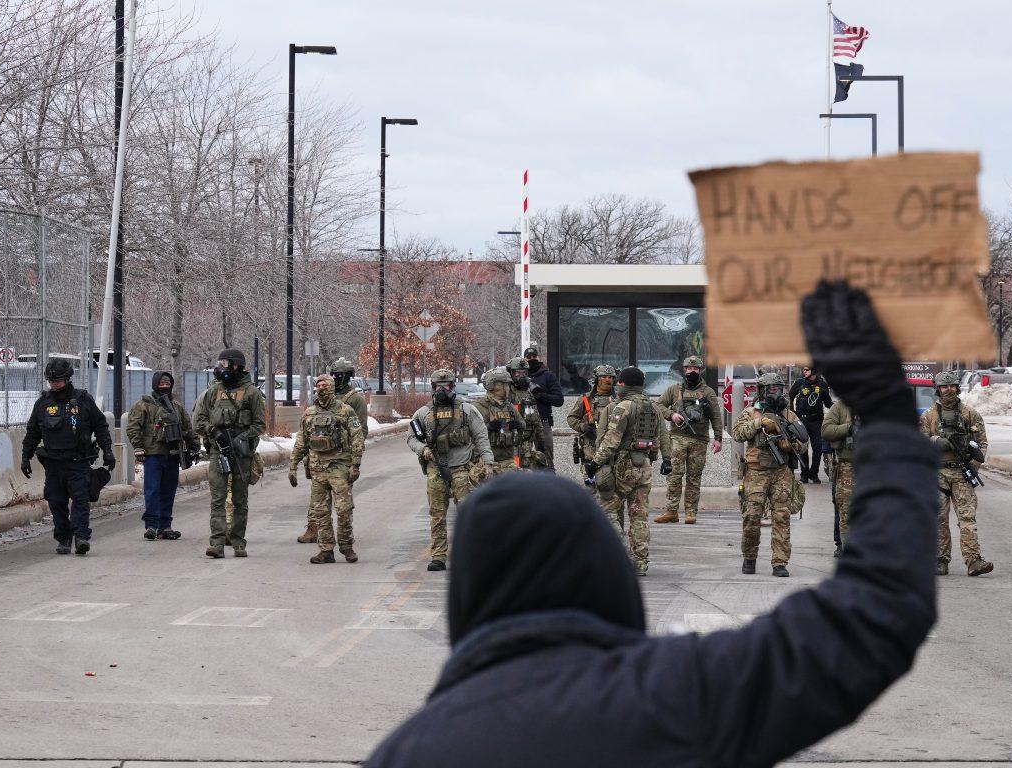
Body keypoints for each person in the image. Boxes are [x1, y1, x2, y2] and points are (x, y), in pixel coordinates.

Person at [363, 281, 937, 768]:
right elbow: (876, 616)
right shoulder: (673, 699)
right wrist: (886, 413)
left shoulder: (411, 752)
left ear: (469, 594)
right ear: (600, 573)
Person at [21, 358, 114, 555]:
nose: (55, 384)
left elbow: (100, 425)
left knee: (80, 500)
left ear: (68, 379)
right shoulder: (43, 403)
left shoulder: (83, 400)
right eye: (51, 381)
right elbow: (32, 432)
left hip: (78, 461)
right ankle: (63, 538)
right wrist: (25, 457)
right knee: (56, 502)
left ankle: (81, 536)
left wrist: (107, 451)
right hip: (54, 463)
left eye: (59, 381)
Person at [584, 366, 670, 576]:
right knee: (639, 516)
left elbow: (611, 440)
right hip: (644, 468)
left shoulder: (624, 406)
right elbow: (664, 435)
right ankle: (640, 562)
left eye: (619, 382)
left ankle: (618, 555)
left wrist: (595, 463)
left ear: (623, 384)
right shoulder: (653, 407)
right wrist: (667, 459)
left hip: (622, 467)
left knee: (608, 509)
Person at [408, 368, 493, 571]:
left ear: (453, 387)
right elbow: (411, 438)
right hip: (436, 470)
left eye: (446, 386)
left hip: (462, 469)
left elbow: (481, 437)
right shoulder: (423, 413)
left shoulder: (467, 410)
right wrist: (424, 450)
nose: (442, 389)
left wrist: (488, 462)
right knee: (437, 514)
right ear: (433, 388)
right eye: (438, 386)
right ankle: (438, 556)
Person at [732, 372, 808, 577]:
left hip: (781, 472)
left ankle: (780, 562)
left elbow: (803, 442)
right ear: (762, 391)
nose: (776, 393)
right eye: (771, 390)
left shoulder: (788, 415)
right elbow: (737, 433)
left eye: (779, 389)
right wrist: (759, 423)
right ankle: (749, 557)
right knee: (751, 516)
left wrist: (790, 445)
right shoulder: (751, 412)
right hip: (756, 472)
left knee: (781, 516)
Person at [919, 371, 994, 577]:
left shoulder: (970, 414)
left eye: (952, 386)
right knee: (938, 519)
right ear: (938, 389)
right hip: (937, 474)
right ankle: (940, 560)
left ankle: (973, 561)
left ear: (957, 388)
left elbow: (982, 443)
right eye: (944, 387)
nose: (949, 390)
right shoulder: (928, 416)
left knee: (967, 519)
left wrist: (974, 464)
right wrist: (936, 442)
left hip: (962, 472)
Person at [193, 348, 266, 559]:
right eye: (220, 363)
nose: (221, 368)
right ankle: (216, 543)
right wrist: (213, 431)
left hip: (241, 453)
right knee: (218, 498)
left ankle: (238, 542)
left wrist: (241, 438)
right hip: (218, 450)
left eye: (225, 364)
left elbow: (259, 424)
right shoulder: (213, 391)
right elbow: (199, 419)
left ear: (236, 365)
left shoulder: (251, 393)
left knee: (240, 500)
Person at [290, 374, 365, 564]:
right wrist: (293, 465)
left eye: (325, 385)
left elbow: (357, 438)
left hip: (340, 466)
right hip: (318, 469)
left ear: (332, 388)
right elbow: (301, 442)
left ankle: (347, 547)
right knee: (320, 511)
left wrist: (355, 464)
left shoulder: (346, 411)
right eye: (318, 385)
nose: (321, 388)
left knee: (344, 510)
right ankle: (326, 550)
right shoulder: (309, 413)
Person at [126, 371, 201, 540]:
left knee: (168, 491)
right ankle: (151, 525)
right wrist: (138, 447)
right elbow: (133, 427)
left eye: (167, 385)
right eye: (161, 385)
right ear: (155, 385)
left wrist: (195, 446)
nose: (165, 387)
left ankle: (165, 526)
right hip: (153, 455)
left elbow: (188, 429)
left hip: (173, 454)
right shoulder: (144, 405)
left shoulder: (176, 407)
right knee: (152, 491)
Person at [654, 355, 722, 524]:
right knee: (674, 476)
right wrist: (672, 415)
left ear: (700, 370)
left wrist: (718, 438)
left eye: (696, 369)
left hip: (699, 440)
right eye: (689, 369)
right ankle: (671, 511)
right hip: (677, 438)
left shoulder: (708, 392)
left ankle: (691, 512)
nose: (692, 371)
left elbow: (716, 416)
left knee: (694, 477)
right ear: (684, 370)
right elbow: (658, 405)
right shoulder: (674, 390)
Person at [565, 364, 617, 493]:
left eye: (610, 377)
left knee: (611, 489)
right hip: (590, 449)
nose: (607, 380)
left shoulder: (618, 400)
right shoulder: (586, 399)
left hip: (612, 449)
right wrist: (584, 427)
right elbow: (572, 418)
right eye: (604, 377)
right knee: (590, 488)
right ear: (596, 379)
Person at [470, 367, 528, 475]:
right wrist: (488, 426)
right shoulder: (478, 407)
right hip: (485, 461)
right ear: (493, 386)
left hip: (507, 459)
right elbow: (471, 432)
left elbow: (523, 424)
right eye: (504, 385)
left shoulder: (509, 406)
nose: (508, 388)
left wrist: (517, 424)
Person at [822, 398, 858, 556]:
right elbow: (826, 430)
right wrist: (848, 428)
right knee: (844, 509)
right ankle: (844, 546)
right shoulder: (840, 407)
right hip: (847, 466)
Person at [789, 365, 833, 483]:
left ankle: (814, 474)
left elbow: (828, 403)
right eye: (804, 369)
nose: (804, 371)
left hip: (816, 420)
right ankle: (804, 474)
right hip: (801, 420)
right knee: (803, 448)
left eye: (807, 370)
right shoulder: (799, 382)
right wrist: (792, 413)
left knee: (817, 448)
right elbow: (790, 396)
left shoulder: (822, 384)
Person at [523, 344, 564, 470]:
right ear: (524, 359)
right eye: (528, 357)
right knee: (524, 459)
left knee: (547, 460)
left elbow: (559, 400)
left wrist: (541, 396)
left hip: (543, 423)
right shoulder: (519, 376)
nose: (532, 359)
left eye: (534, 356)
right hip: (524, 424)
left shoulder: (548, 376)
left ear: (538, 357)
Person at [506, 357, 549, 468]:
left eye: (524, 372)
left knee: (527, 476)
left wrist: (541, 441)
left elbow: (536, 418)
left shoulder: (528, 393)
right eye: (518, 373)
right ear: (510, 373)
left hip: (527, 445)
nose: (521, 376)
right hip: (510, 445)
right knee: (513, 476)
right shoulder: (506, 392)